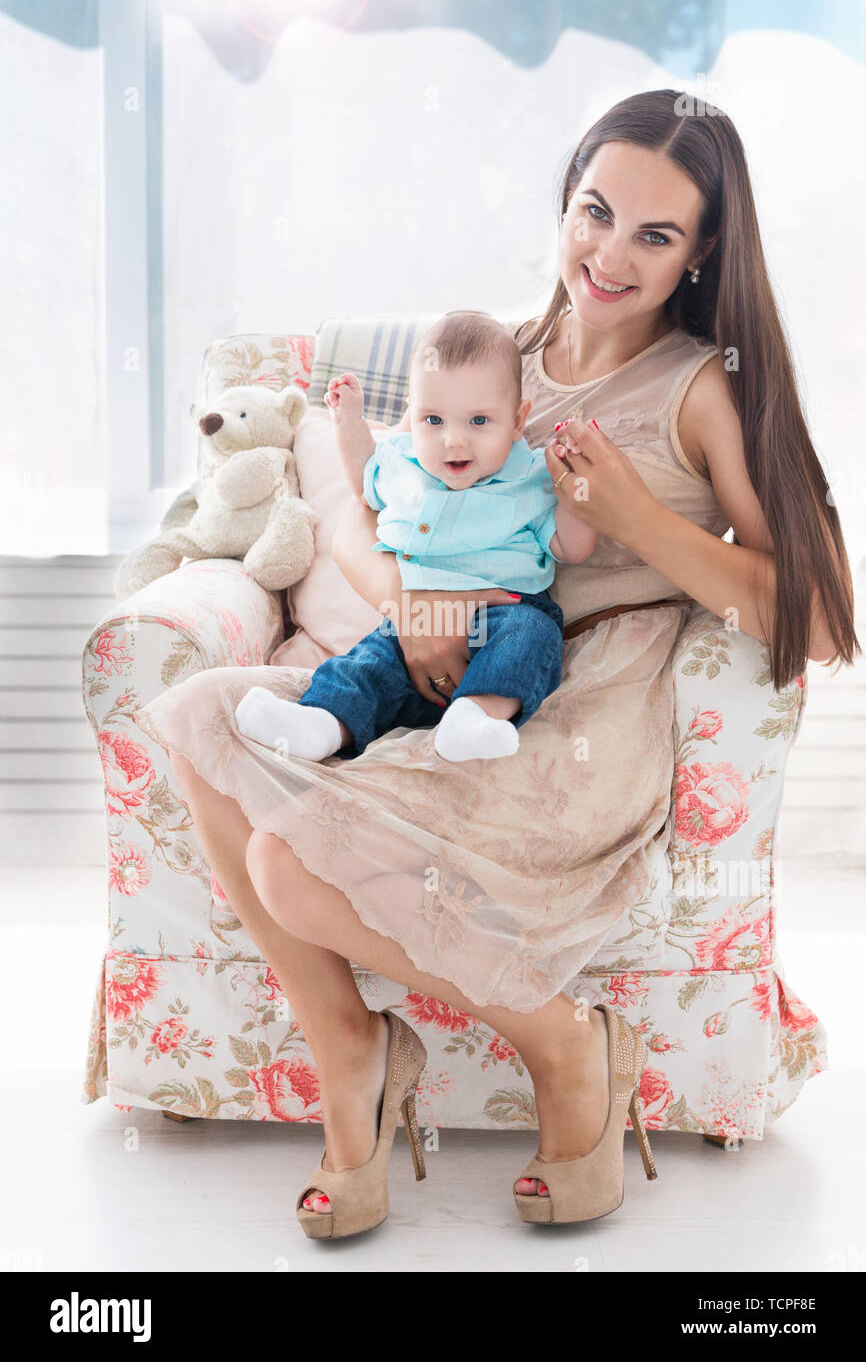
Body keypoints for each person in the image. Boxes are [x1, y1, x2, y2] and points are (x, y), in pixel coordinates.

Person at [133, 88, 858, 1238]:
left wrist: (636, 516)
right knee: (204, 712)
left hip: (574, 704)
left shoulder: (698, 387)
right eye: (594, 211)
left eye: (654, 235)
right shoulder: (496, 360)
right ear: (564, 199)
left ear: (702, 250)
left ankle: (566, 1048)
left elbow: (819, 621)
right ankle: (355, 1050)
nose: (607, 255)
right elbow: (387, 509)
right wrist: (410, 600)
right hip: (437, 672)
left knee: (285, 867)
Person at [232, 310, 597, 765]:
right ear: (413, 413)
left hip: (506, 612)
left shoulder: (532, 476)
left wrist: (578, 493)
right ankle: (319, 724)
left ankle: (474, 718)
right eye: (433, 420)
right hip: (413, 621)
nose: (454, 441)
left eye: (479, 421)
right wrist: (349, 424)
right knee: (367, 664)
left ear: (518, 420)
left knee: (534, 638)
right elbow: (365, 483)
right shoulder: (404, 463)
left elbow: (572, 547)